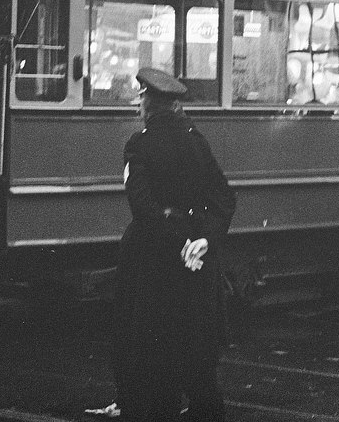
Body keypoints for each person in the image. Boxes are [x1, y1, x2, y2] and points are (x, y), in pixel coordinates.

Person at [115, 68, 237, 422]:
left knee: (148, 361)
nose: (138, 102)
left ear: (150, 102)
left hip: (152, 263)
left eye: (141, 96)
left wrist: (178, 242)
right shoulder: (196, 140)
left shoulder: (139, 144)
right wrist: (202, 240)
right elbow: (225, 198)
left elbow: (143, 209)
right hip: (194, 267)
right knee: (197, 361)